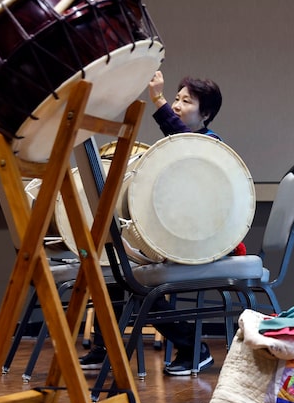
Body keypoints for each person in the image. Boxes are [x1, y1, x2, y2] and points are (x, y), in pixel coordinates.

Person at [79, 73, 228, 375]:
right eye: (176, 98)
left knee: (138, 286)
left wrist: (157, 99)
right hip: (181, 239)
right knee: (116, 270)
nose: (177, 106)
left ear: (207, 114)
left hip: (203, 243)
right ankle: (106, 346)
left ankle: (193, 348)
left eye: (186, 101)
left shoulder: (208, 145)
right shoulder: (179, 146)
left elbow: (183, 140)